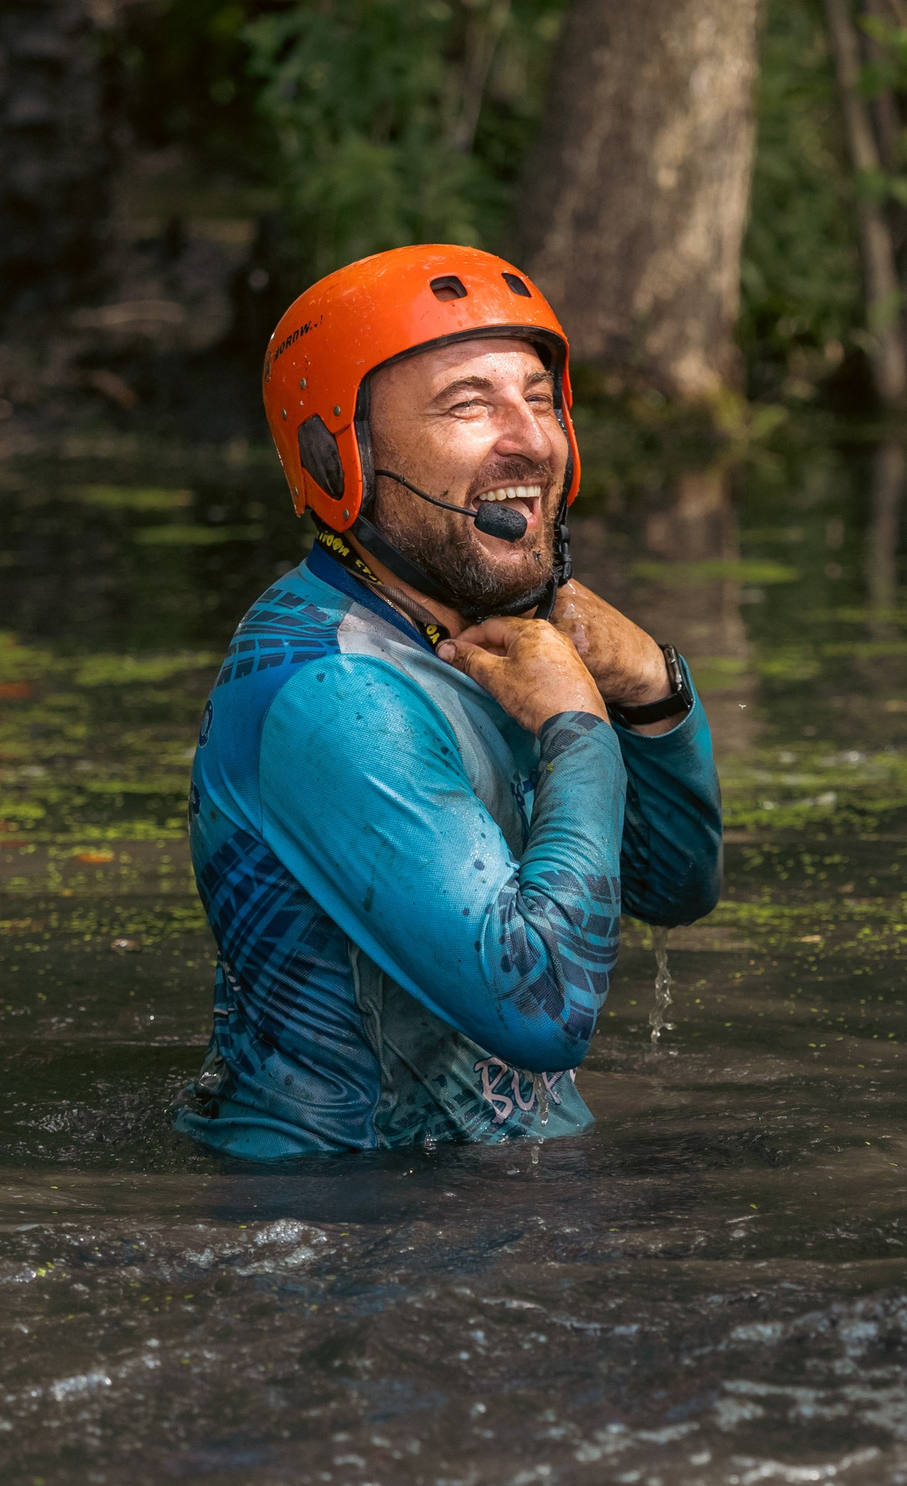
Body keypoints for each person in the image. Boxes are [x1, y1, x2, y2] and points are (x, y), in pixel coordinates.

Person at [174, 245, 722, 1157]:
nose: (533, 440)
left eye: (541, 399)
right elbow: (541, 1006)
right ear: (342, 453)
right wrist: (577, 730)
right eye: (470, 403)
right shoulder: (333, 690)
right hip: (345, 1221)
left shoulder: (483, 624)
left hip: (477, 1196)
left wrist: (652, 695)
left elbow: (674, 888)